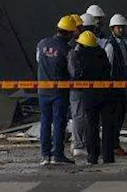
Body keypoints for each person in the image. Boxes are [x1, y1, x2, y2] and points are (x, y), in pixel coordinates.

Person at [35, 16, 78, 165]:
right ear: (69, 33)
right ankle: (58, 155)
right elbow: (73, 72)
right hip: (60, 92)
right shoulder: (68, 50)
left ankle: (45, 155)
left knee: (45, 121)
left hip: (43, 91)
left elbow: (39, 60)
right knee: (59, 122)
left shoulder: (42, 44)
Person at [68, 30, 113, 164]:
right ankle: (108, 156)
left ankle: (92, 156)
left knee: (91, 126)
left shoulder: (79, 55)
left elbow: (77, 75)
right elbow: (108, 70)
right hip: (105, 93)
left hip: (89, 94)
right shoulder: (102, 53)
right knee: (107, 126)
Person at [103, 14, 127, 158]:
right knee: (114, 117)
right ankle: (113, 146)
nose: (121, 30)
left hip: (120, 85)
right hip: (113, 87)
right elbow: (108, 67)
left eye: (122, 27)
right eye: (118, 28)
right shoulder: (110, 46)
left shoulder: (122, 45)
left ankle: (115, 145)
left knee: (120, 115)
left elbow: (124, 64)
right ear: (112, 29)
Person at [70, 12, 100, 157]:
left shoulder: (76, 44)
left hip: (81, 86)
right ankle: (78, 144)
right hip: (77, 87)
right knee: (79, 115)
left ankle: (80, 142)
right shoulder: (73, 47)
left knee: (82, 115)